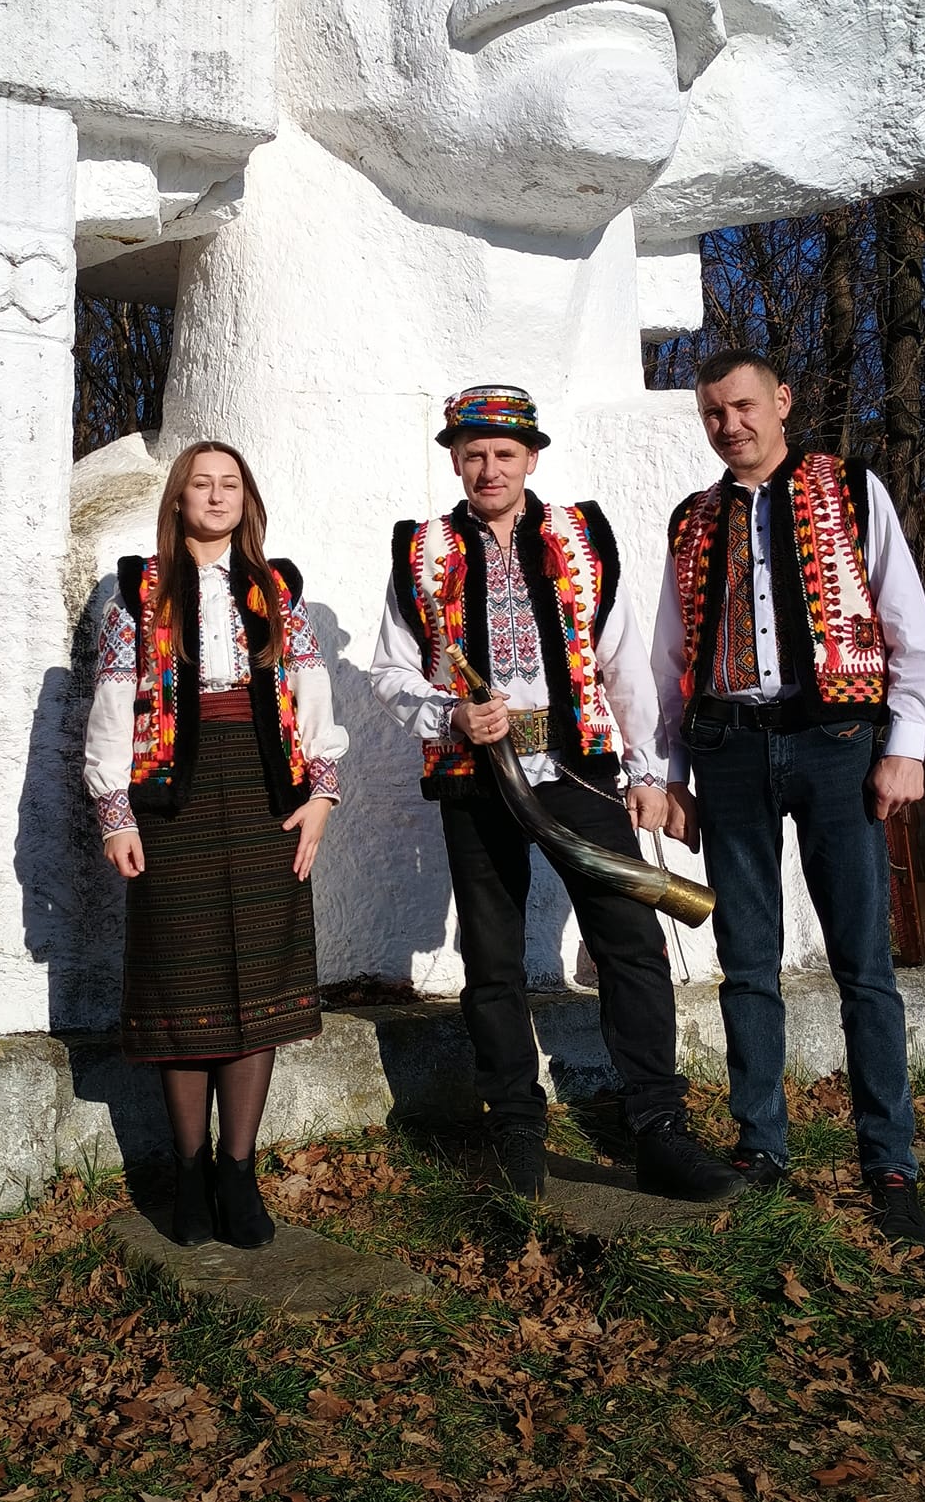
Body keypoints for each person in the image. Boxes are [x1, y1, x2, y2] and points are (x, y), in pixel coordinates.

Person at [370, 385, 740, 1202]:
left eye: (504, 453)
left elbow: (624, 662)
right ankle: (515, 1128)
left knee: (630, 944)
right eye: (473, 454)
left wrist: (650, 774)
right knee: (491, 957)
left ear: (531, 458)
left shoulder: (580, 536)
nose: (489, 469)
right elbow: (389, 671)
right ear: (455, 462)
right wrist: (450, 713)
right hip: (475, 778)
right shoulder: (420, 550)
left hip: (580, 772)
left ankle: (659, 1129)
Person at [654, 349, 925, 1246]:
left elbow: (906, 622)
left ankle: (889, 1163)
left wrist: (905, 745)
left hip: (836, 746)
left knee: (864, 963)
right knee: (746, 959)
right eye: (713, 412)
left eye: (743, 405)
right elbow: (672, 656)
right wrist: (669, 773)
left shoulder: (850, 489)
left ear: (781, 402)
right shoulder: (693, 520)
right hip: (729, 751)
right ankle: (760, 1151)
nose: (729, 424)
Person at [84, 441, 347, 1250]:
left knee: (258, 981)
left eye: (230, 483)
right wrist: (116, 813)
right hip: (174, 800)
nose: (215, 494)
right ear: (178, 499)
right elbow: (113, 703)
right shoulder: (140, 592)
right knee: (183, 980)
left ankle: (238, 1171)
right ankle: (189, 1171)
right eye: (200, 483)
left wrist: (321, 796)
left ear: (247, 500)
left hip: (267, 795)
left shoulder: (276, 590)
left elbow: (310, 692)